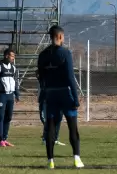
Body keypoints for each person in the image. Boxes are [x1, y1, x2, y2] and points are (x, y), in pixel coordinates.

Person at [37, 25, 84, 169]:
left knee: (50, 128)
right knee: (72, 127)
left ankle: (50, 161)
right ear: (60, 37)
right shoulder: (65, 53)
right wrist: (76, 98)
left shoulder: (43, 55)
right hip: (65, 93)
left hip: (50, 93)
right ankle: (76, 159)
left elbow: (40, 77)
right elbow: (70, 77)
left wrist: (44, 93)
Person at [0, 48, 20, 147]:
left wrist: (17, 94)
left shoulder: (13, 68)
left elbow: (16, 81)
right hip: (1, 95)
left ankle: (5, 138)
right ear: (6, 55)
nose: (13, 58)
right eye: (12, 56)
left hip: (10, 96)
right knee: (1, 117)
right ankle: (0, 140)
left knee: (9, 117)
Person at [36, 71, 65, 146]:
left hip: (57, 98)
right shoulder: (44, 75)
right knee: (46, 119)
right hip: (45, 99)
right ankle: (45, 138)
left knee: (58, 119)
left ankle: (55, 139)